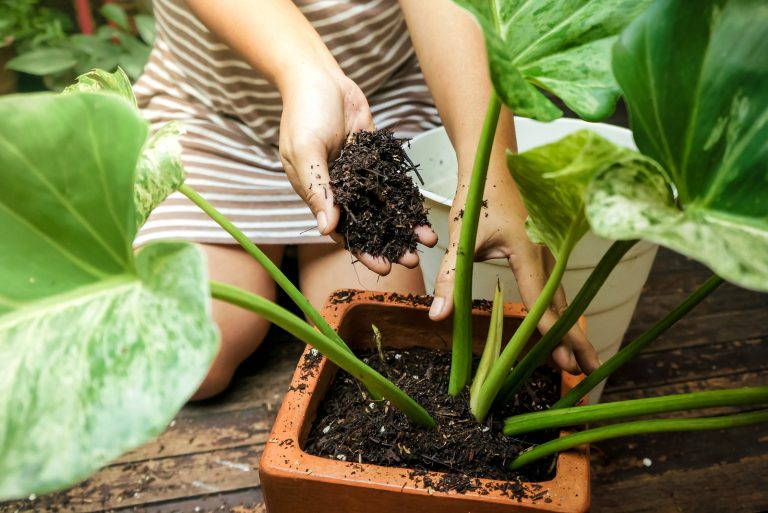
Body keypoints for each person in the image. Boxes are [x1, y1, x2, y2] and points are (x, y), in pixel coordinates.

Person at [134, 0, 600, 400]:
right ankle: (280, 257)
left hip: (371, 107)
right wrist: (307, 74)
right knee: (187, 362)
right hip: (212, 112)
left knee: (378, 355)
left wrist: (495, 172)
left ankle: (297, 257)